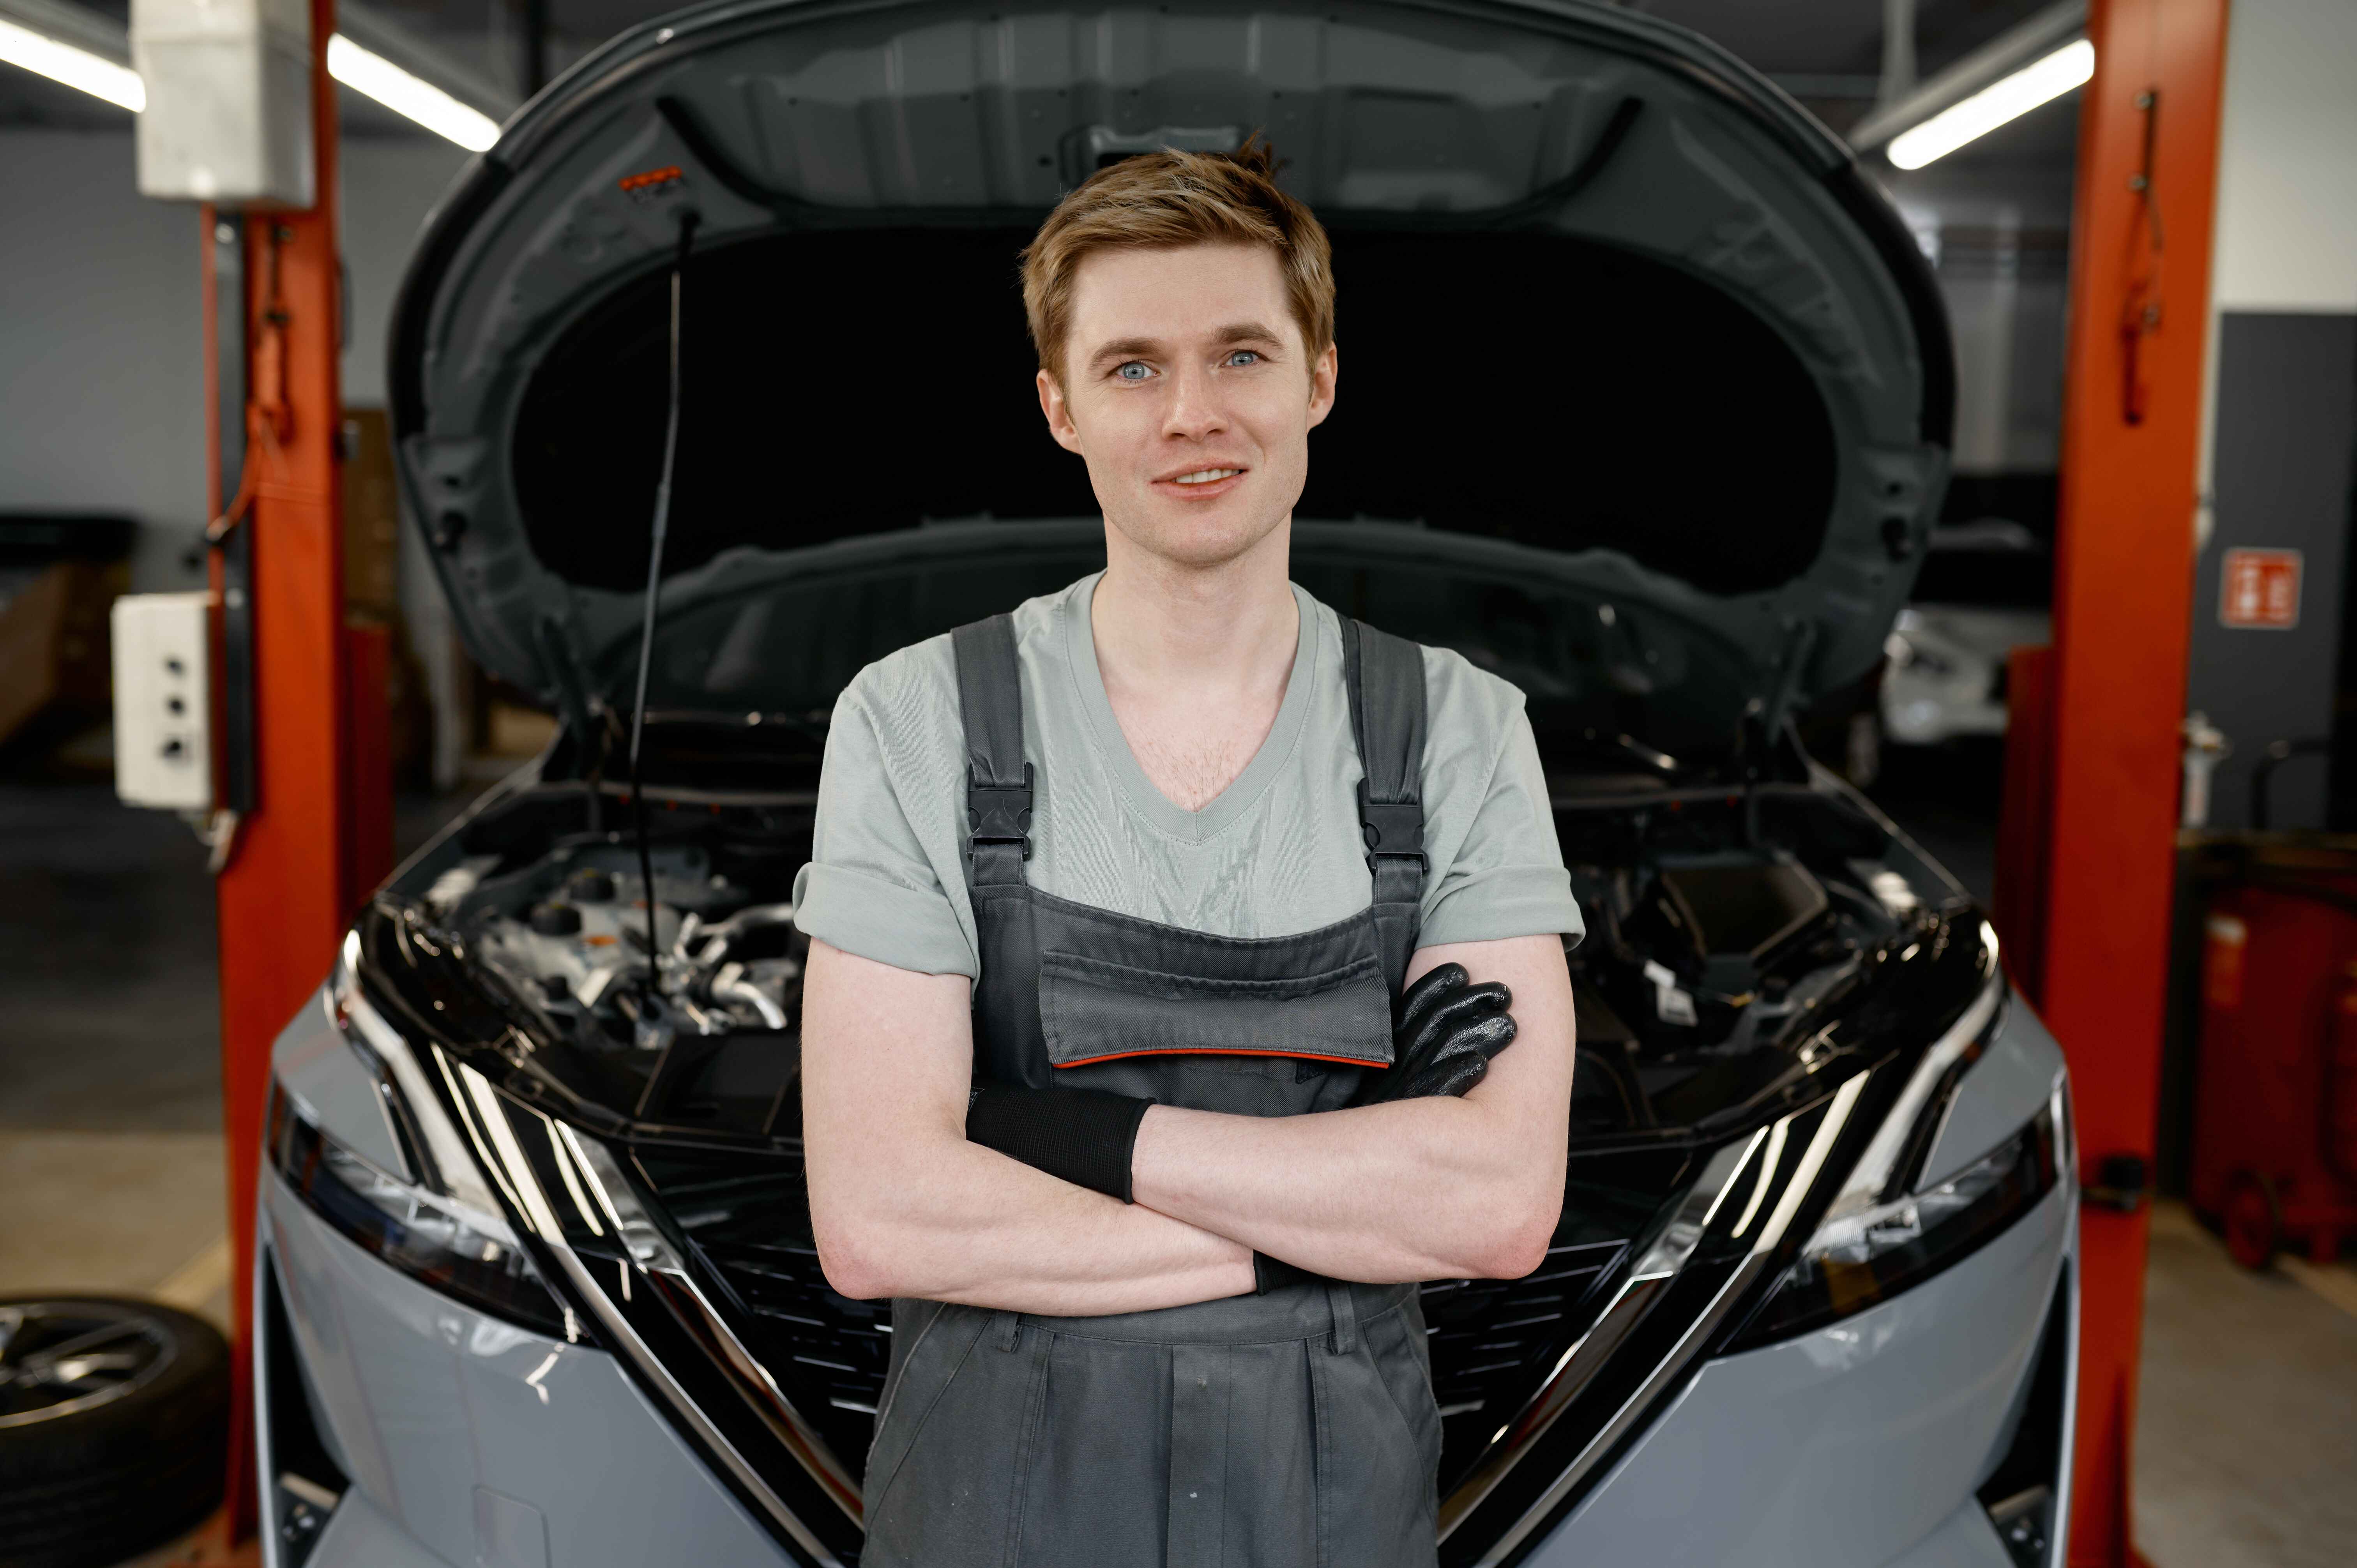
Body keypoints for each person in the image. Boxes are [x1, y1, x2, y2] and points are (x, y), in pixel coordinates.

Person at [795, 140, 1583, 1568]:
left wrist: (1062, 1136)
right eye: (1135, 368)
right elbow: (877, 1216)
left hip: (1334, 1504)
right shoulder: (914, 719)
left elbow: (1501, 1205)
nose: (1194, 415)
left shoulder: (1460, 730)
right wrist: (1335, 1220)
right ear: (1060, 408)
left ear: (1320, 380)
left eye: (1240, 355)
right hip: (996, 1503)